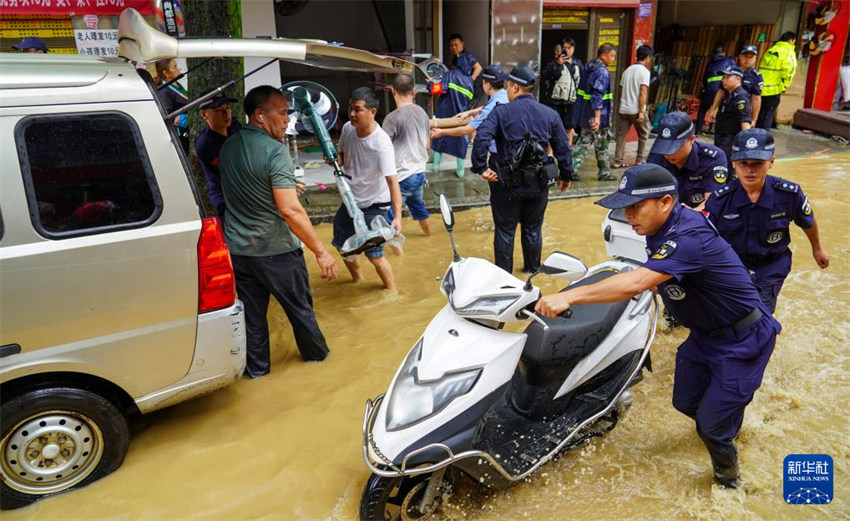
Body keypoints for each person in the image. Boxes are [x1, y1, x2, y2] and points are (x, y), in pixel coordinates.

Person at [535, 164, 782, 489]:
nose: (628, 215)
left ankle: (729, 479)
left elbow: (637, 280)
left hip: (743, 338)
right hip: (705, 336)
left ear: (665, 202)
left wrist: (570, 298)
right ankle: (726, 421)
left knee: (709, 427)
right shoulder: (659, 231)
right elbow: (655, 276)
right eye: (624, 208)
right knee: (685, 403)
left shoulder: (688, 237)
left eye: (636, 206)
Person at [218, 85, 337, 378]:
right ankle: (322, 368)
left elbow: (248, 189)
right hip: (276, 251)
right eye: (282, 112)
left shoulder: (229, 146)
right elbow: (290, 210)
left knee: (254, 321)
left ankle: (258, 375)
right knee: (301, 315)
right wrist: (321, 252)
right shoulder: (275, 151)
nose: (288, 119)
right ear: (260, 115)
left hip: (240, 252)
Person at [706, 129, 829, 313]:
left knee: (759, 316)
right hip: (733, 265)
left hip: (771, 266)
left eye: (758, 163)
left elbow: (807, 221)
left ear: (771, 161)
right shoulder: (720, 200)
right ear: (733, 164)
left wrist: (817, 248)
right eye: (743, 163)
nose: (750, 169)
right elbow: (704, 239)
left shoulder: (789, 194)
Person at [471, 66, 574, 274]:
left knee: (505, 231)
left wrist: (481, 167)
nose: (507, 91)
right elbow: (563, 147)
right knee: (533, 229)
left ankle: (504, 279)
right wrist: (566, 174)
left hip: (505, 184)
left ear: (515, 87)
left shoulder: (501, 113)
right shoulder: (550, 114)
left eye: (508, 87)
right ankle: (533, 273)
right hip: (538, 184)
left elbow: (481, 138)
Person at [333, 87, 403, 290]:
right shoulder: (347, 128)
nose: (352, 114)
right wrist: (334, 160)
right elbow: (343, 157)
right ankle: (358, 281)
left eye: (358, 109)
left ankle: (392, 292)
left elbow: (392, 181)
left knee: (375, 255)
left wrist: (397, 216)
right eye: (350, 109)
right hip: (350, 201)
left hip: (374, 204)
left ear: (372, 112)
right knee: (343, 248)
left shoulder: (381, 143)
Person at [383, 73, 432, 238]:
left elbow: (381, 149)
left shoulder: (392, 119)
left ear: (392, 91)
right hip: (419, 173)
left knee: (389, 219)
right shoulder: (422, 113)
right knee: (419, 209)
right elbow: (427, 144)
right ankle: (429, 237)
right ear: (413, 92)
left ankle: (397, 258)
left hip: (402, 176)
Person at [648, 111, 728, 210]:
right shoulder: (657, 155)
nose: (668, 154)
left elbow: (712, 203)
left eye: (675, 148)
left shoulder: (713, 159)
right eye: (664, 147)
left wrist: (688, 215)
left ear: (691, 139)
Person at [572, 43, 617, 181]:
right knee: (598, 144)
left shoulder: (589, 68)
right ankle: (603, 173)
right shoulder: (601, 72)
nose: (613, 59)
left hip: (585, 113)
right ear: (603, 56)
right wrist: (597, 117)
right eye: (612, 56)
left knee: (587, 142)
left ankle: (570, 169)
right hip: (597, 116)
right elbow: (597, 95)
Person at [195, 91, 242, 221]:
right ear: (204, 114)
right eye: (217, 111)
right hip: (228, 201)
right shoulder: (205, 145)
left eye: (227, 107)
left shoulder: (234, 125)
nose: (226, 114)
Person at [431, 59, 475, 178]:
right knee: (460, 142)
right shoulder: (470, 80)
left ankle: (435, 167)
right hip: (461, 117)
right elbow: (470, 98)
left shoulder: (449, 75)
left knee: (439, 138)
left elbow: (439, 89)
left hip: (445, 114)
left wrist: (430, 84)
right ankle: (460, 172)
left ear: (455, 65)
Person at [613, 45, 653, 168]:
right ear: (647, 57)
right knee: (643, 134)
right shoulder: (644, 72)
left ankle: (617, 161)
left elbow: (620, 90)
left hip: (624, 109)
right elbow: (643, 92)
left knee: (621, 136)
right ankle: (639, 160)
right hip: (636, 110)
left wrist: (622, 103)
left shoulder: (627, 70)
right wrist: (641, 111)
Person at [707, 45, 764, 127]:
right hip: (726, 108)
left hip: (742, 111)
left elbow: (756, 99)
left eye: (751, 57)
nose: (747, 59)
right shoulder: (729, 71)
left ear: (755, 58)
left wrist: (754, 119)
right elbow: (721, 91)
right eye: (745, 56)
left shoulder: (756, 76)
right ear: (740, 56)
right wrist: (713, 108)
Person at [541, 39, 582, 144]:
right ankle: (550, 154)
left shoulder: (577, 64)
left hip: (571, 102)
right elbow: (547, 76)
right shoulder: (553, 63)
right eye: (565, 48)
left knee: (569, 128)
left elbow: (581, 82)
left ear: (573, 49)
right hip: (555, 102)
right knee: (552, 128)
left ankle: (567, 151)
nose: (567, 50)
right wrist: (558, 64)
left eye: (569, 48)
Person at [713, 66, 752, 173]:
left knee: (725, 168)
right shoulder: (729, 94)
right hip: (721, 137)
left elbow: (745, 121)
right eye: (723, 77)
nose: (724, 80)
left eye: (728, 77)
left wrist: (747, 145)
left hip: (730, 139)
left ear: (738, 79)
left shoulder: (741, 97)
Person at [758, 32, 798, 130]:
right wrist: (784, 86)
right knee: (768, 114)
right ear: (791, 40)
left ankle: (754, 136)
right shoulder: (788, 52)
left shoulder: (771, 49)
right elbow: (790, 71)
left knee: (759, 113)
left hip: (761, 87)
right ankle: (763, 139)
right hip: (774, 88)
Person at [696, 46, 735, 133]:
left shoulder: (710, 63)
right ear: (724, 53)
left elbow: (705, 78)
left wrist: (705, 88)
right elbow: (734, 73)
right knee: (721, 109)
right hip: (722, 89)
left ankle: (697, 129)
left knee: (702, 108)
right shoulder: (729, 61)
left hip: (709, 90)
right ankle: (716, 129)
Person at [155, 59, 189, 151]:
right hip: (180, 135)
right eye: (175, 67)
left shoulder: (176, 84)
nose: (178, 69)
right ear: (166, 73)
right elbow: (167, 116)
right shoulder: (164, 91)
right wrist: (187, 119)